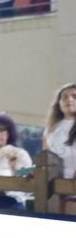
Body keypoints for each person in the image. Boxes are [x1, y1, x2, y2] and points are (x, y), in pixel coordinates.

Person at [44, 83, 76, 215]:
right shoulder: (51, 130)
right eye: (65, 97)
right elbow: (46, 157)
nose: (69, 100)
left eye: (74, 96)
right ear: (59, 103)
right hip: (54, 189)